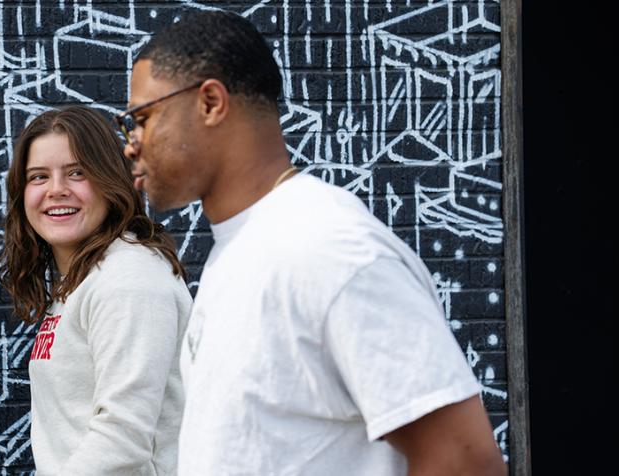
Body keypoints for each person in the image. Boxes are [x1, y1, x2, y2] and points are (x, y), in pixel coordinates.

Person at [119, 10, 507, 475]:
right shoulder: (244, 248)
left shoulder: (327, 249)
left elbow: (464, 461)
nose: (131, 143)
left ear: (210, 103)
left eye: (140, 119)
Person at [0, 106, 192, 475]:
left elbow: (123, 436)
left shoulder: (130, 278)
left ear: (108, 180)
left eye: (77, 173)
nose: (57, 190)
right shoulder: (86, 279)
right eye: (39, 177)